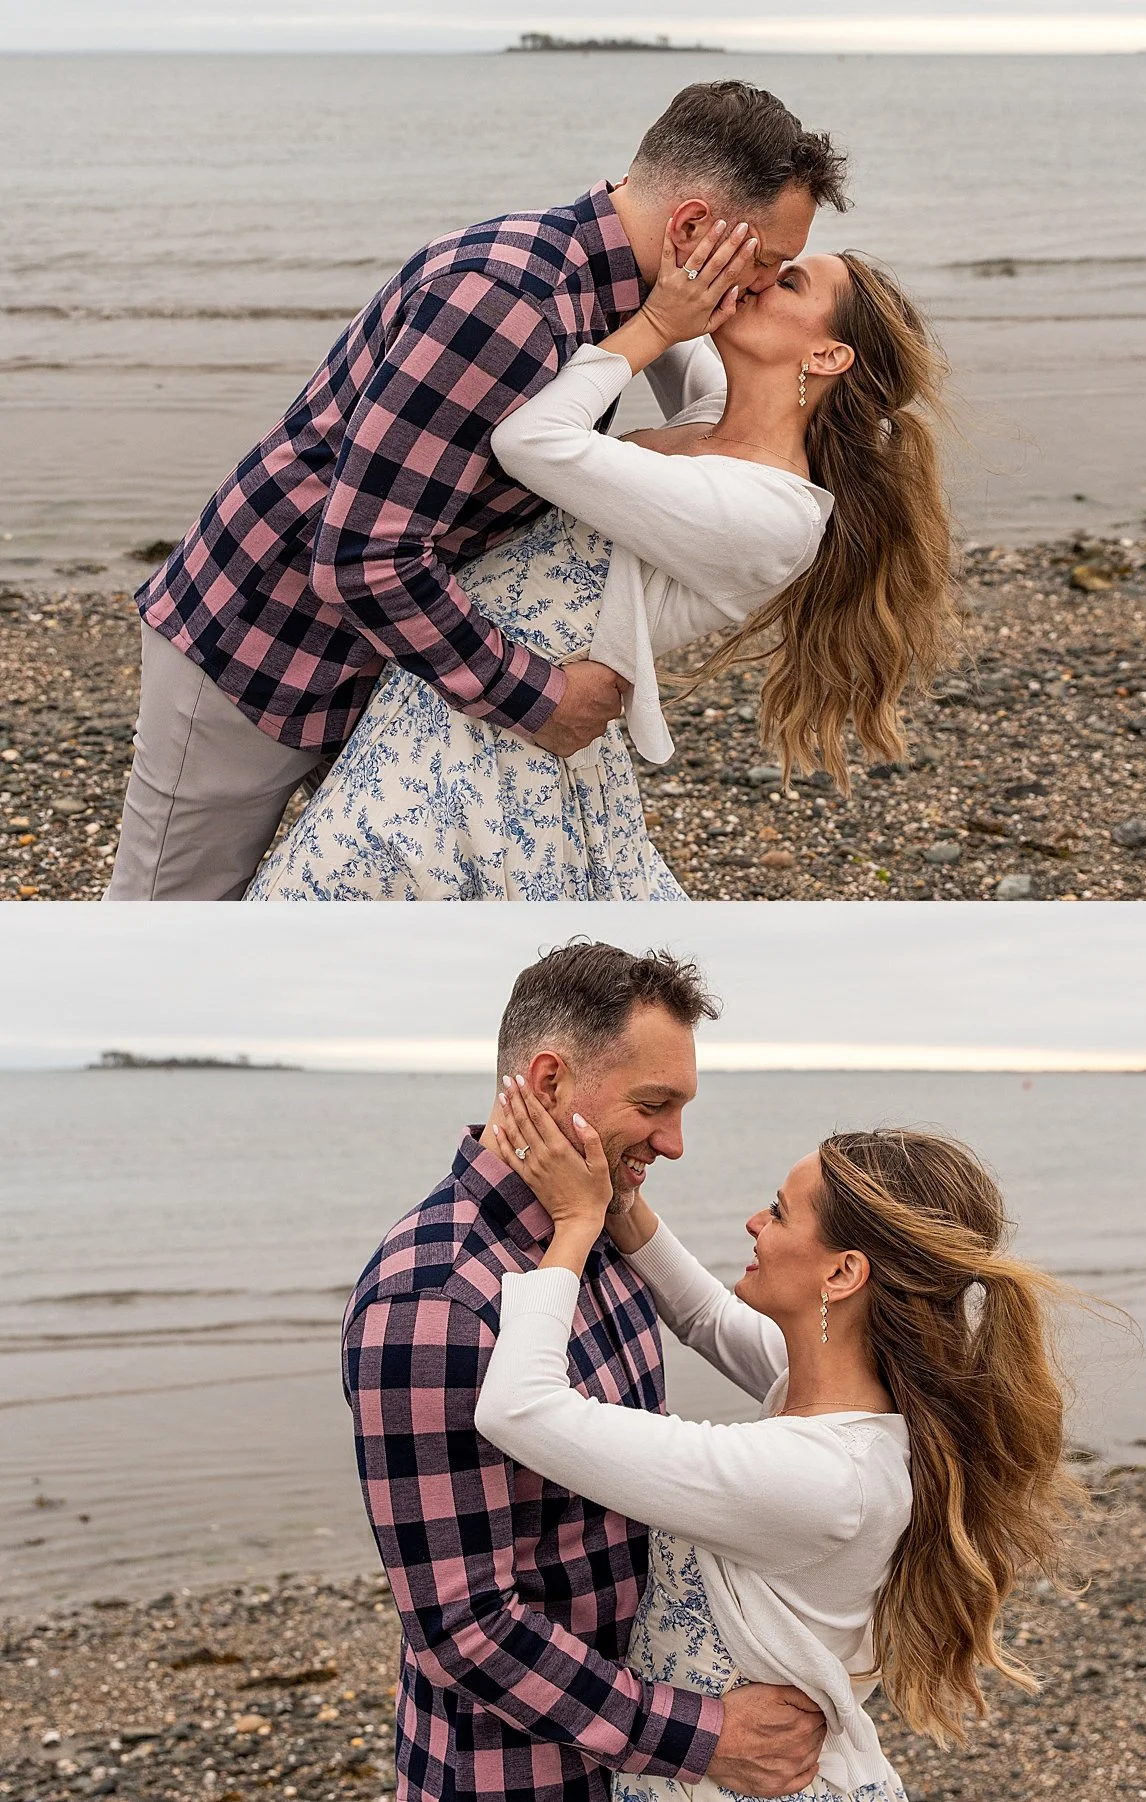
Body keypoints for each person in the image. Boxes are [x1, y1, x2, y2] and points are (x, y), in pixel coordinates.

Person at [106, 81, 849, 899]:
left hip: (386, 663)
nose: (759, 285)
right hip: (261, 645)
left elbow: (718, 411)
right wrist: (543, 701)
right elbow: (362, 554)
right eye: (769, 262)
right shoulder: (508, 301)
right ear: (693, 227)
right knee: (162, 924)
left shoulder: (623, 293)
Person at [245, 215, 957, 900]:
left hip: (497, 743)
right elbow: (663, 294)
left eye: (790, 282)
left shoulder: (771, 514)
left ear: (828, 356)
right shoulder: (715, 418)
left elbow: (532, 441)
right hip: (450, 695)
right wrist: (692, 251)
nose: (760, 280)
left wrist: (654, 327)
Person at [475, 1081, 1089, 1802]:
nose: (752, 1222)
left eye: (779, 1211)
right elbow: (703, 1314)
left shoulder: (821, 1478)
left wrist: (575, 1223)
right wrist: (621, 1204)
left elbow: (519, 1408)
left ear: (842, 1272)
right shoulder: (855, 1399)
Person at [342, 941, 829, 1802]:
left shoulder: (599, 1234)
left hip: (637, 1765)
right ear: (550, 1081)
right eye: (654, 1104)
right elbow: (464, 1626)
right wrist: (706, 1736)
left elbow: (713, 1331)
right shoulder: (437, 1298)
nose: (675, 1144)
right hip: (517, 1778)